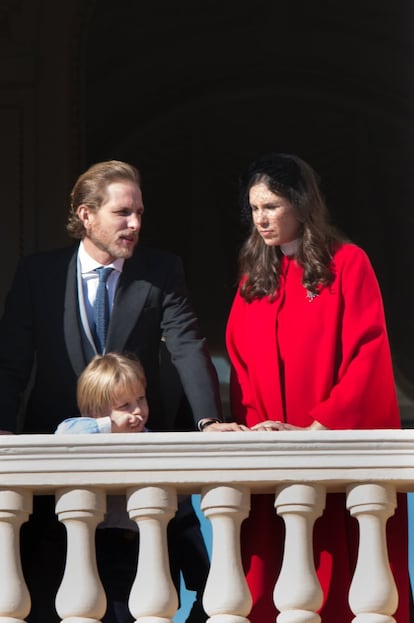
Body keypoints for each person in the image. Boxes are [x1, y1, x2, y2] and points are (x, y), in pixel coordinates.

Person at [0, 159, 243, 622]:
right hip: (58, 464)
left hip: (134, 466)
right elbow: (12, 361)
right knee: (48, 595)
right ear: (86, 215)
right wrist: (3, 428)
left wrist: (208, 421)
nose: (134, 224)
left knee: (135, 596)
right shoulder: (38, 274)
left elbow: (188, 345)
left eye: (139, 213)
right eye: (122, 213)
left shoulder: (161, 270)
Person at [225, 152, 410, 622]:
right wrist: (258, 428)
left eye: (271, 206)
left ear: (301, 203)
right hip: (273, 462)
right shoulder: (254, 278)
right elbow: (241, 366)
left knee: (343, 582)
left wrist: (316, 428)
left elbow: (368, 355)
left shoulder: (348, 264)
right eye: (254, 209)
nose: (261, 219)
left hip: (333, 454)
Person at [56, 351, 209, 623]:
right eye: (125, 405)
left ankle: (203, 590)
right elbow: (66, 434)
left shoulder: (151, 440)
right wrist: (109, 426)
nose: (138, 411)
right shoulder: (88, 432)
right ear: (96, 412)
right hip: (105, 547)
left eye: (141, 399)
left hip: (147, 544)